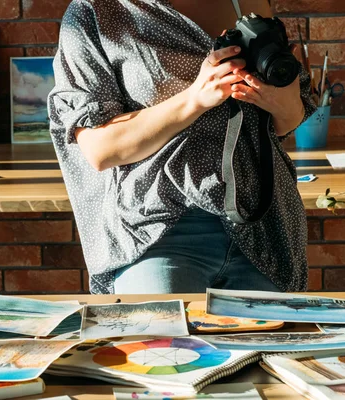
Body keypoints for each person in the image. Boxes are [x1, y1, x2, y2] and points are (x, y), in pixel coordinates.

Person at [48, 0, 316, 294]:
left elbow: (282, 125)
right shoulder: (97, 12)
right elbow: (100, 148)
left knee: (272, 339)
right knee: (164, 338)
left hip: (263, 225)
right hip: (160, 232)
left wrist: (286, 105)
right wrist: (194, 100)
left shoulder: (246, 3)